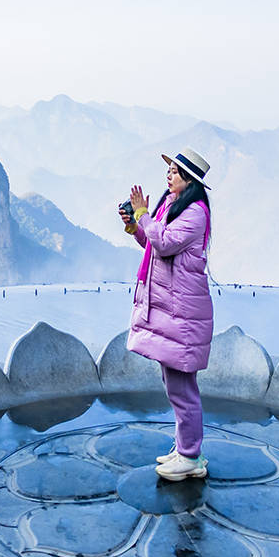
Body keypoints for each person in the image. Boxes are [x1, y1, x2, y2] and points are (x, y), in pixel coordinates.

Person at [119, 147, 213, 481]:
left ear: (189, 179)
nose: (168, 175)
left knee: (182, 388)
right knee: (174, 384)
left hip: (182, 312)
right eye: (169, 170)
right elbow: (153, 243)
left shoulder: (196, 212)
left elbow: (167, 243)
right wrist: (136, 225)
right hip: (171, 310)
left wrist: (145, 215)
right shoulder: (173, 205)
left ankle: (190, 457)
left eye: (174, 170)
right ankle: (186, 449)